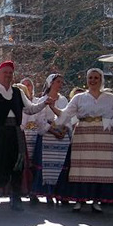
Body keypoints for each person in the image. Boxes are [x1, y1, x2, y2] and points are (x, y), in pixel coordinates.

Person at [51, 68, 113, 213]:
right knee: (81, 167)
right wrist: (52, 107)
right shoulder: (79, 98)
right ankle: (79, 199)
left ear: (101, 79)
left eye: (96, 78)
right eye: (90, 78)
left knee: (101, 168)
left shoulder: (110, 97)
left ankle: (97, 200)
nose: (93, 80)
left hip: (103, 135)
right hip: (83, 133)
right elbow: (65, 114)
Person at [0, 61, 51, 212]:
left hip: (14, 133)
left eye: (10, 73)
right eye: (5, 72)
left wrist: (44, 103)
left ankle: (15, 200)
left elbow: (30, 109)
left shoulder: (18, 92)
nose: (8, 75)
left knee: (16, 167)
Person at [29, 73, 70, 204]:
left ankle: (58, 192)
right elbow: (39, 120)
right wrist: (52, 130)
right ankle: (46, 192)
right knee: (46, 166)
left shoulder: (63, 100)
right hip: (47, 136)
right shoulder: (43, 100)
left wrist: (64, 129)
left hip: (61, 136)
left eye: (61, 82)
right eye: (58, 82)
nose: (60, 85)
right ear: (51, 83)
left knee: (59, 166)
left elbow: (67, 115)